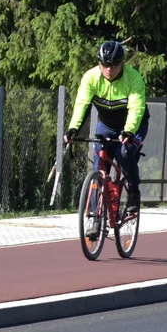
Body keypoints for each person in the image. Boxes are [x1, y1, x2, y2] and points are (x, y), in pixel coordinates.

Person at [62, 41, 150, 215]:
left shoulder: (133, 78)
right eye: (104, 64)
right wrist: (73, 129)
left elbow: (136, 108)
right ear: (99, 63)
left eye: (114, 65)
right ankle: (95, 214)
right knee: (99, 167)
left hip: (134, 124)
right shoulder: (90, 77)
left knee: (125, 153)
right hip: (107, 125)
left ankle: (133, 192)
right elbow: (82, 104)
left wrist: (129, 130)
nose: (109, 69)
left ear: (122, 63)